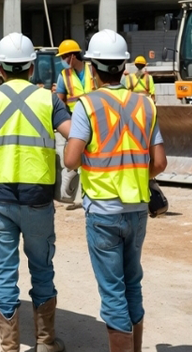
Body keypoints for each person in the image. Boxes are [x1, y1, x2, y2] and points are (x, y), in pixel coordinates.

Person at [0, 33, 71, 352]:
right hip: (38, 198)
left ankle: (10, 347)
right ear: (31, 68)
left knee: (4, 274)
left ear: (0, 67)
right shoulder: (49, 100)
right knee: (42, 268)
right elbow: (75, 136)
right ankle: (46, 342)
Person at [63, 29, 167, 352]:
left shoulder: (87, 105)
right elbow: (160, 162)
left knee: (112, 292)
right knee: (132, 285)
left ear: (92, 67)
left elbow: (70, 158)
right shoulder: (146, 105)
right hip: (137, 212)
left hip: (103, 214)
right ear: (124, 68)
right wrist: (136, 174)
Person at [55, 39, 95, 113]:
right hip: (74, 116)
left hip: (95, 113)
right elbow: (60, 101)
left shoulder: (92, 69)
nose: (62, 61)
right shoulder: (63, 75)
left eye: (64, 57)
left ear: (73, 56)